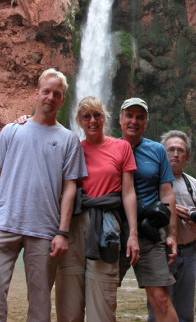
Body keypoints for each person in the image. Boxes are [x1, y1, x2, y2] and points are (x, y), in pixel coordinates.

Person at [0, 68, 88, 322]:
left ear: (61, 100)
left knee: (40, 306)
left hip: (45, 230)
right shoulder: (12, 130)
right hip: (4, 222)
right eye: (46, 91)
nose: (50, 97)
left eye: (56, 94)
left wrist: (62, 232)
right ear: (36, 93)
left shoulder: (69, 140)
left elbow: (70, 187)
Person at [55, 96, 139, 322]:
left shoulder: (122, 147)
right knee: (68, 303)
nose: (92, 120)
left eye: (97, 115)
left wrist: (133, 234)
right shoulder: (72, 147)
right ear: (79, 121)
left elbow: (128, 193)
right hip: (74, 223)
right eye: (86, 116)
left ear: (105, 117)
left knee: (102, 305)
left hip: (107, 224)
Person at [118, 98, 178, 322]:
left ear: (145, 122)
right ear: (120, 118)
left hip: (149, 231)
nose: (134, 121)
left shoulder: (157, 151)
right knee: (104, 295)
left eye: (140, 117)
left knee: (160, 298)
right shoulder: (109, 147)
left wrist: (172, 234)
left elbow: (166, 194)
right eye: (129, 115)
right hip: (115, 231)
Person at [147, 130, 196, 322]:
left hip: (190, 252)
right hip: (161, 251)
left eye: (180, 150)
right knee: (159, 308)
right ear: (161, 153)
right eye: (171, 149)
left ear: (187, 156)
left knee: (185, 310)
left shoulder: (193, 184)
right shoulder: (151, 182)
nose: (175, 154)